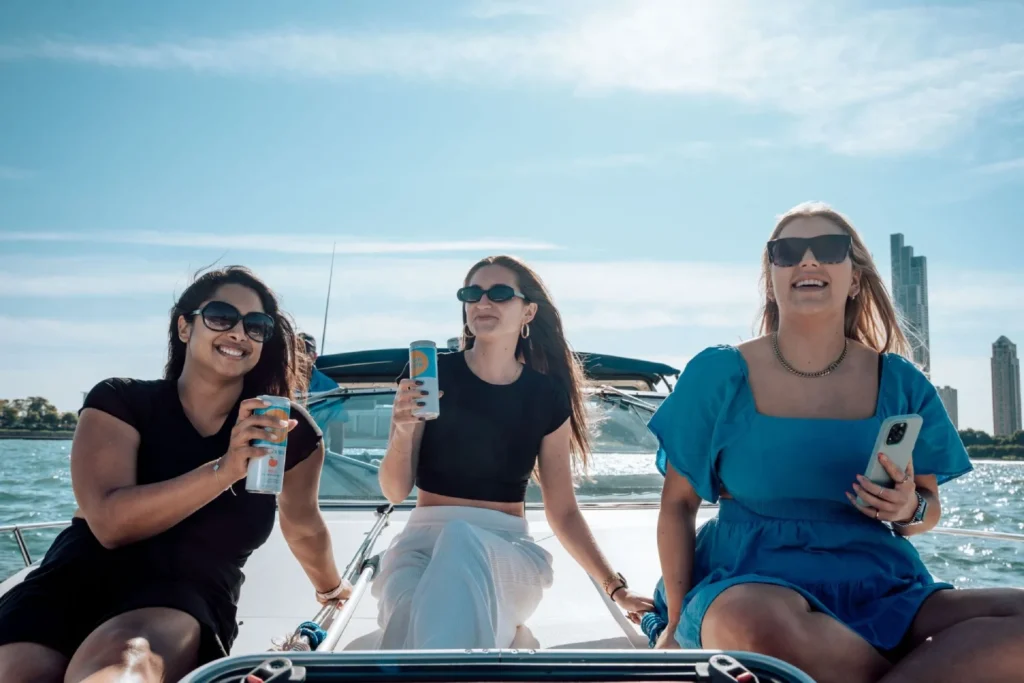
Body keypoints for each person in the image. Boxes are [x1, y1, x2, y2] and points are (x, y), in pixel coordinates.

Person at [647, 202, 1024, 683]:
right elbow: (677, 505)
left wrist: (906, 506)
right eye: (787, 252)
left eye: (828, 248)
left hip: (881, 583)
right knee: (756, 622)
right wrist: (676, 621)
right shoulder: (719, 374)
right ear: (772, 276)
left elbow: (926, 510)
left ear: (855, 278)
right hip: (750, 577)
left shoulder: (900, 381)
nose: (808, 260)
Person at [0, 266, 348, 683]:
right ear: (185, 327)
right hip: (75, 576)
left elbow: (303, 524)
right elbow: (110, 524)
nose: (239, 332)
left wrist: (331, 590)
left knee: (126, 666)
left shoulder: (286, 429)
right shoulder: (121, 400)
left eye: (256, 326)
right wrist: (225, 469)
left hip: (185, 591)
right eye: (221, 316)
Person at [372, 255, 654, 650]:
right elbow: (395, 492)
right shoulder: (430, 376)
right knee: (411, 614)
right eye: (471, 294)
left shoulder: (546, 396)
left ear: (529, 311)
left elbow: (564, 511)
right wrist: (403, 431)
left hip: (507, 553)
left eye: (499, 293)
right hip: (419, 544)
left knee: (456, 545)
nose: (482, 303)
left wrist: (616, 588)